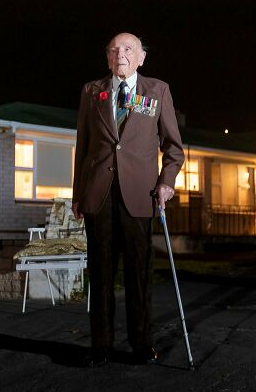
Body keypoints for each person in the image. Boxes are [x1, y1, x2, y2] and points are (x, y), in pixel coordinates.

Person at [72, 32, 185, 367]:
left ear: (141, 57)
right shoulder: (92, 92)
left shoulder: (156, 91)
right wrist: (78, 194)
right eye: (114, 50)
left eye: (127, 49)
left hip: (140, 197)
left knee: (138, 274)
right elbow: (84, 146)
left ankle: (140, 345)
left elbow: (174, 149)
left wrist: (166, 182)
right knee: (101, 274)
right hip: (99, 196)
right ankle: (101, 346)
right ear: (108, 58)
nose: (120, 54)